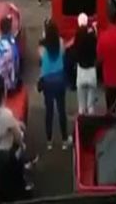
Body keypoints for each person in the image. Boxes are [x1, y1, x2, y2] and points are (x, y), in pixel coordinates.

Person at [0, 76, 30, 200]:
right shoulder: (6, 114)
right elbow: (18, 136)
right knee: (15, 183)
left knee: (1, 185)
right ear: (3, 95)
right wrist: (22, 145)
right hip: (8, 155)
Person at [39, 20, 70, 150]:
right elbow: (63, 54)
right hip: (59, 80)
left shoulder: (42, 47)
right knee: (62, 110)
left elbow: (40, 58)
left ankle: (49, 141)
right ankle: (64, 140)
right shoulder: (61, 43)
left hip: (47, 81)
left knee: (49, 111)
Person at [74, 13, 98, 115]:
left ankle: (81, 125)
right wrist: (95, 29)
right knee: (91, 106)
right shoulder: (92, 36)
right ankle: (91, 125)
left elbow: (75, 52)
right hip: (91, 71)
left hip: (81, 71)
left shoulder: (78, 36)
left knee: (81, 106)